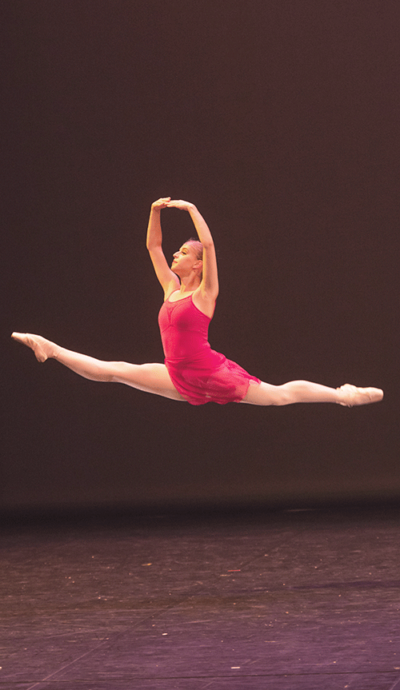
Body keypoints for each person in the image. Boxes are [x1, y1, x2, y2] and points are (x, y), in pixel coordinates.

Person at [12, 197, 383, 408]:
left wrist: (191, 211)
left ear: (198, 264)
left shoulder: (205, 294)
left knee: (278, 396)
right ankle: (51, 348)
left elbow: (209, 245)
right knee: (115, 370)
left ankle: (342, 396)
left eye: (183, 251)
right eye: (177, 250)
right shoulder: (170, 289)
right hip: (177, 375)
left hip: (211, 372)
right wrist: (155, 212)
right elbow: (153, 247)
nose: (175, 254)